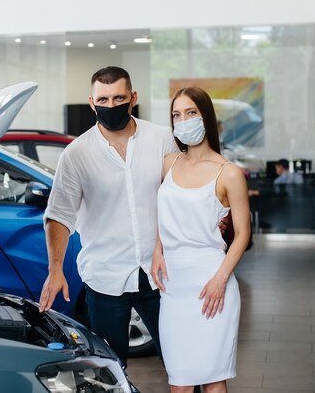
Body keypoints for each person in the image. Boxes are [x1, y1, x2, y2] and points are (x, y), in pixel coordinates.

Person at [38, 66, 178, 367]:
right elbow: (59, 214)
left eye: (119, 98)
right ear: (92, 102)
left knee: (180, 362)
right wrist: (55, 269)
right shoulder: (76, 154)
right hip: (105, 277)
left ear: (133, 97)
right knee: (109, 368)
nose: (111, 106)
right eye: (103, 100)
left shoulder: (162, 139)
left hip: (161, 274)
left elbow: (180, 198)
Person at [151, 86, 250, 393]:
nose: (183, 120)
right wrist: (158, 250)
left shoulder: (228, 173)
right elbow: (162, 213)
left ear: (205, 116)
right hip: (174, 286)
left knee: (212, 382)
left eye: (191, 112)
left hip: (211, 283)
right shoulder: (169, 163)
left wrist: (221, 279)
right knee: (179, 384)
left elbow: (243, 234)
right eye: (176, 115)